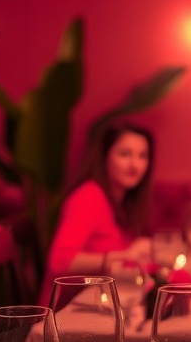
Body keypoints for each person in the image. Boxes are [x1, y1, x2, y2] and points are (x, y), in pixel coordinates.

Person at [38, 121, 154, 304]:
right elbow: (59, 260)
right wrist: (124, 256)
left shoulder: (123, 200)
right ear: (105, 156)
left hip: (96, 304)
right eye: (125, 154)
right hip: (65, 314)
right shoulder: (89, 196)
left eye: (142, 156)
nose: (135, 165)